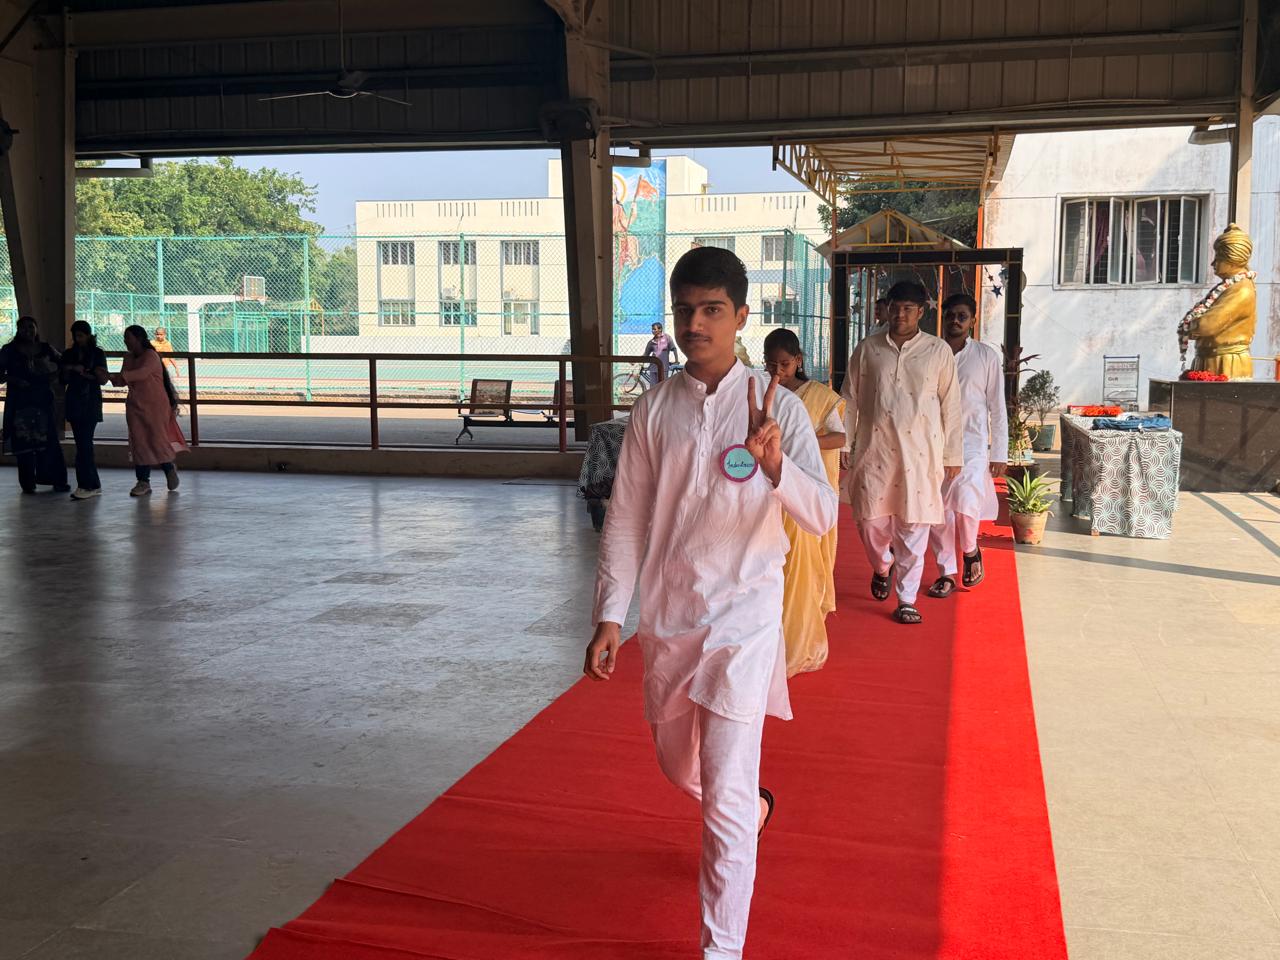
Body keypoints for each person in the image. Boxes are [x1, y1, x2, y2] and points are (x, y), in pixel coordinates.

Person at [585, 246, 837, 960]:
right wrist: (611, 614)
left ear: (742, 317)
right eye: (686, 310)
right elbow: (627, 516)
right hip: (671, 619)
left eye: (713, 310)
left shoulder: (780, 408)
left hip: (744, 620)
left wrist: (777, 465)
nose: (696, 324)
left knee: (722, 794)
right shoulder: (654, 409)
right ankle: (754, 808)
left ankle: (720, 948)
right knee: (680, 769)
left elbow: (822, 515)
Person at [841, 281, 962, 625]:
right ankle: (883, 565)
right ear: (886, 308)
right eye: (895, 307)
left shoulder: (937, 351)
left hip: (921, 454)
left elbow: (951, 406)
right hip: (875, 450)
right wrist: (844, 442)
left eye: (908, 308)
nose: (900, 314)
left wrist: (953, 455)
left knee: (913, 527)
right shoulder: (868, 348)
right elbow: (849, 397)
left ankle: (907, 599)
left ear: (921, 312)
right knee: (870, 522)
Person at [763, 328, 845, 677]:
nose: (777, 372)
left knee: (801, 568)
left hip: (805, 493)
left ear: (798, 360)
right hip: (768, 493)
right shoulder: (762, 393)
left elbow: (840, 437)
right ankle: (767, 640)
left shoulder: (821, 397)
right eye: (771, 365)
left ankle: (796, 642)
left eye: (784, 364)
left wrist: (801, 439)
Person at [925, 295, 1008, 597]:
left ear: (973, 321)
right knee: (938, 511)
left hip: (972, 444)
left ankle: (970, 550)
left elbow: (997, 407)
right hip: (933, 443)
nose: (955, 321)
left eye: (962, 316)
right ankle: (946, 572)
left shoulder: (986, 357)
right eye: (950, 315)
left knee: (966, 500)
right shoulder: (930, 353)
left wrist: (999, 452)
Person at [109, 324, 188, 497]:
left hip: (155, 406)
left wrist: (116, 376)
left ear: (139, 339)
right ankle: (143, 481)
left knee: (156, 440)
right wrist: (110, 377)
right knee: (139, 442)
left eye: (128, 338)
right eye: (124, 338)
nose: (125, 342)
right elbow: (123, 380)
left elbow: (141, 373)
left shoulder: (150, 356)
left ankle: (168, 468)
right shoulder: (128, 357)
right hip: (135, 406)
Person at [0, 316, 69, 494]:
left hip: (42, 401)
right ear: (18, 330)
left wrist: (52, 377)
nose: (28, 331)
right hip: (19, 403)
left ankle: (56, 479)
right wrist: (14, 380)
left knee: (49, 440)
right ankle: (28, 482)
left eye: (31, 327)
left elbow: (63, 364)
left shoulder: (46, 348)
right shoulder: (9, 350)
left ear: (36, 329)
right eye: (24, 328)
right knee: (23, 442)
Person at [60, 320, 110, 500]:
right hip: (75, 400)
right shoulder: (69, 354)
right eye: (76, 336)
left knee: (84, 444)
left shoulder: (97, 354)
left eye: (80, 336)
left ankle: (86, 484)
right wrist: (73, 368)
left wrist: (89, 373)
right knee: (83, 443)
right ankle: (91, 483)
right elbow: (63, 378)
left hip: (89, 401)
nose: (77, 339)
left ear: (88, 335)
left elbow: (103, 378)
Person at [643, 321, 680, 386]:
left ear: (660, 329)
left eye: (654, 329)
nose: (653, 331)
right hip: (653, 368)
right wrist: (635, 361)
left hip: (663, 368)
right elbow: (646, 355)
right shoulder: (651, 342)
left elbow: (674, 349)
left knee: (663, 386)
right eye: (652, 329)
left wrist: (676, 360)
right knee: (653, 387)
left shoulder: (667, 338)